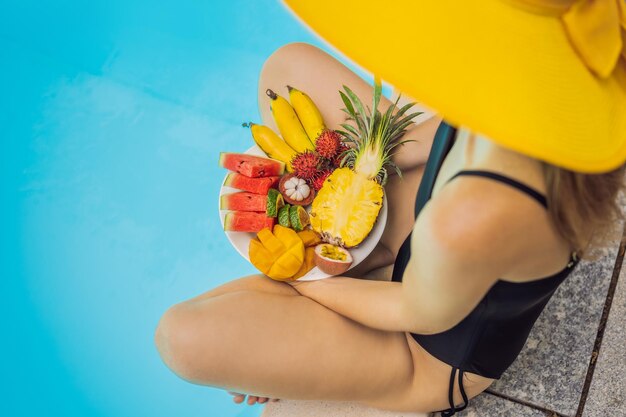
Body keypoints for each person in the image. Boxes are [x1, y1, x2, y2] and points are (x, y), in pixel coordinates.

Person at [154, 1, 626, 414]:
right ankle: (359, 263)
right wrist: (354, 168)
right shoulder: (548, 93)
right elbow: (440, 131)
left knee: (181, 339)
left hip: (423, 349)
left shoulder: (483, 211)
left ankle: (357, 290)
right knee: (288, 66)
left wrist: (302, 267)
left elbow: (418, 312)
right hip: (429, 236)